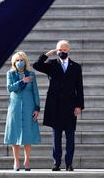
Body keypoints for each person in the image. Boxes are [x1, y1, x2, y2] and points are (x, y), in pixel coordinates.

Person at [33, 40, 84, 171]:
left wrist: (79, 106)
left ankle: (69, 163)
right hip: (55, 106)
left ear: (69, 51)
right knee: (56, 137)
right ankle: (56, 163)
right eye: (60, 50)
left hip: (70, 106)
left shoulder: (76, 67)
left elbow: (79, 88)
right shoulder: (51, 64)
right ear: (57, 51)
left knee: (70, 137)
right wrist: (47, 54)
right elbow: (36, 65)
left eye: (65, 50)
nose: (63, 52)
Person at [4, 51, 41, 171]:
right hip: (14, 107)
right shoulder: (10, 73)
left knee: (28, 133)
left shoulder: (31, 74)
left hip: (29, 106)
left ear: (26, 61)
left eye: (22, 60)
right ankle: (16, 161)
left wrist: (37, 108)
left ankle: (27, 160)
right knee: (14, 133)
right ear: (14, 62)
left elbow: (35, 92)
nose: (20, 62)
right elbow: (10, 88)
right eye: (18, 60)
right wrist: (22, 81)